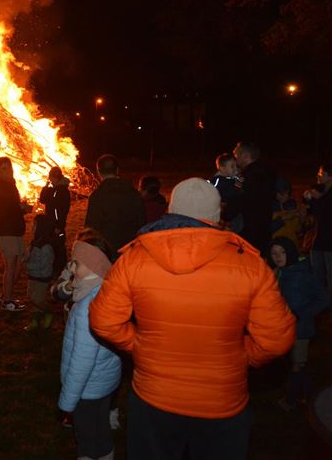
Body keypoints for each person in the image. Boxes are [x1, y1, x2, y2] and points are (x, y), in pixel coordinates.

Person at [90, 177, 295, 460]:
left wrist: (139, 345)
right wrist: (242, 356)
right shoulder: (251, 266)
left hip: (154, 399)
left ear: (171, 210)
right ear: (216, 216)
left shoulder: (134, 258)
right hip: (222, 404)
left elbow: (103, 320)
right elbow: (276, 339)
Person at [59, 231, 120, 460]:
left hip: (87, 388)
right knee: (101, 430)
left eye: (77, 264)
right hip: (104, 383)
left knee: (86, 438)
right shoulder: (109, 295)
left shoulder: (88, 308)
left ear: (95, 266)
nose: (72, 270)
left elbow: (82, 361)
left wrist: (68, 400)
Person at [268, 237, 329, 411]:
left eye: (283, 252)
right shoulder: (279, 272)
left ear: (291, 253)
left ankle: (291, 400)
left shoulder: (302, 274)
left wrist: (302, 313)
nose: (278, 256)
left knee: (297, 362)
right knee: (296, 363)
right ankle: (307, 393)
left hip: (300, 328)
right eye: (274, 253)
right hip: (284, 327)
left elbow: (323, 299)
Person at [84, 154, 145, 258]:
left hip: (107, 252)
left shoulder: (97, 196)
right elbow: (142, 222)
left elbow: (90, 228)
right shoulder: (134, 193)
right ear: (117, 170)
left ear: (98, 172)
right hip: (130, 250)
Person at [0, 157, 29, 311]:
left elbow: (13, 206)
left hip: (16, 229)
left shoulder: (11, 184)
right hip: (6, 231)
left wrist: (22, 208)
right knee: (11, 266)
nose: (9, 170)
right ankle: (7, 301)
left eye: (10, 167)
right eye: (4, 168)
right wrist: (20, 208)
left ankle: (6, 294)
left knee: (19, 264)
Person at [228, 141, 276, 255]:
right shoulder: (268, 172)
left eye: (237, 155)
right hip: (264, 225)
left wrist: (226, 215)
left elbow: (241, 199)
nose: (235, 159)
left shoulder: (248, 176)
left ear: (245, 156)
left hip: (248, 228)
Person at [303, 163, 332, 293]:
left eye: (321, 174)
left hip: (329, 239)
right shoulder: (318, 190)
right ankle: (319, 301)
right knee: (317, 271)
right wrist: (308, 200)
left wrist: (317, 199)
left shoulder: (324, 195)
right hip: (316, 237)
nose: (318, 176)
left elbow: (325, 211)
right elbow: (311, 212)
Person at [24, 214, 56, 331]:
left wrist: (27, 265)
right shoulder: (35, 242)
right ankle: (35, 322)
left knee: (37, 299)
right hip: (32, 276)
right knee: (31, 297)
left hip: (42, 278)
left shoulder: (46, 246)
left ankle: (48, 313)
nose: (32, 226)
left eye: (35, 224)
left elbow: (43, 264)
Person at [39, 166, 70, 276]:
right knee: (53, 247)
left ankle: (61, 272)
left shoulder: (62, 191)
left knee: (59, 248)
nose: (50, 180)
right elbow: (42, 199)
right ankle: (55, 271)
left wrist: (58, 226)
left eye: (51, 178)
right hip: (52, 224)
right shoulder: (54, 189)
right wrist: (46, 186)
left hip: (57, 226)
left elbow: (62, 211)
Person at [210, 152, 243, 233]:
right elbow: (228, 195)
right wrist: (237, 186)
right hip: (225, 216)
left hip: (234, 213)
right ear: (222, 168)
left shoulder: (231, 179)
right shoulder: (218, 181)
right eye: (232, 166)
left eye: (236, 166)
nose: (235, 169)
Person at [270, 177, 303, 249]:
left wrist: (302, 219)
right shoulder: (269, 206)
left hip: (293, 247)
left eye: (288, 193)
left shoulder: (294, 205)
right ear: (275, 193)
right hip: (276, 247)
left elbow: (299, 231)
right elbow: (266, 230)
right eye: (282, 194)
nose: (286, 196)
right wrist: (283, 218)